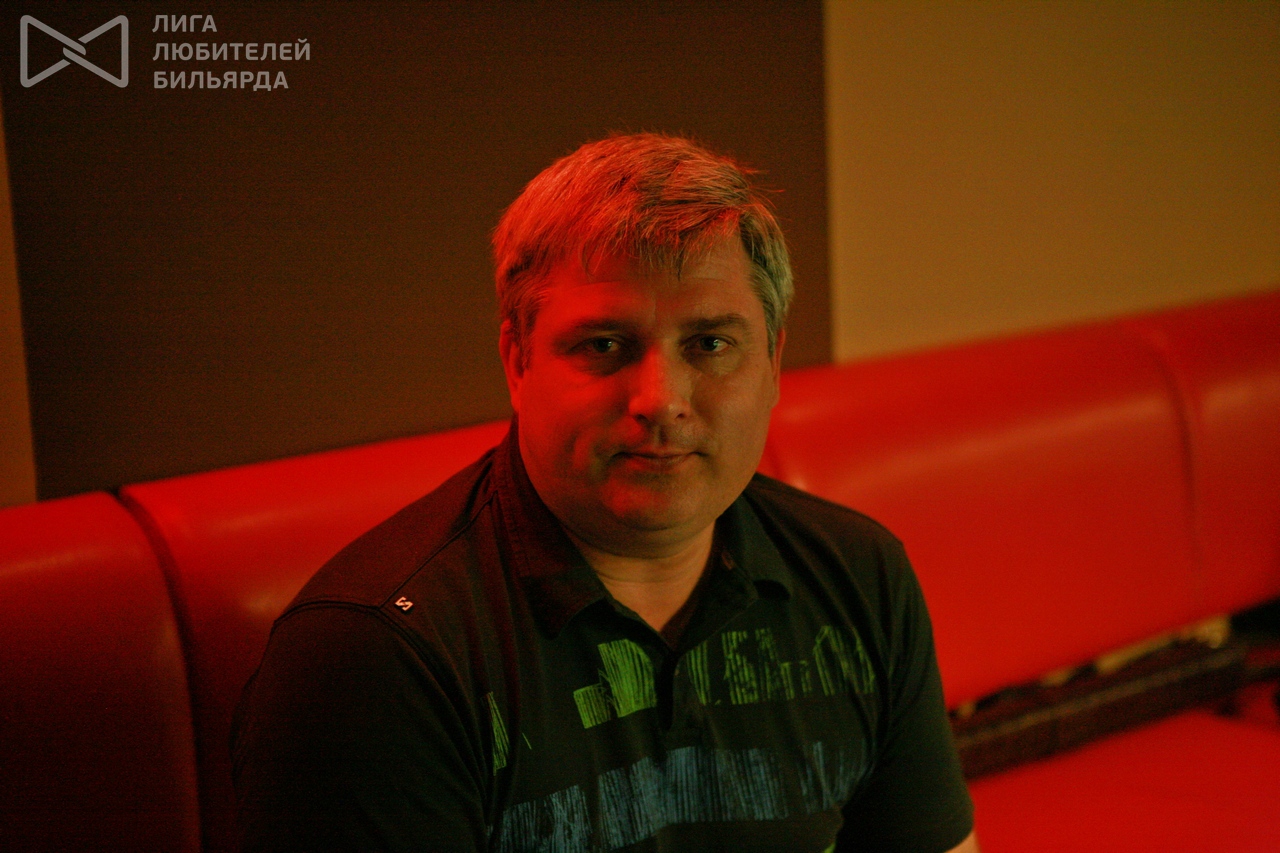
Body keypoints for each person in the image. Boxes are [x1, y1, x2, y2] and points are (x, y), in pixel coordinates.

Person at [232, 133, 978, 852]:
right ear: (517, 359)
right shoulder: (375, 659)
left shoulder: (859, 574)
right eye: (604, 345)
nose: (661, 399)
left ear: (773, 363)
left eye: (710, 344)